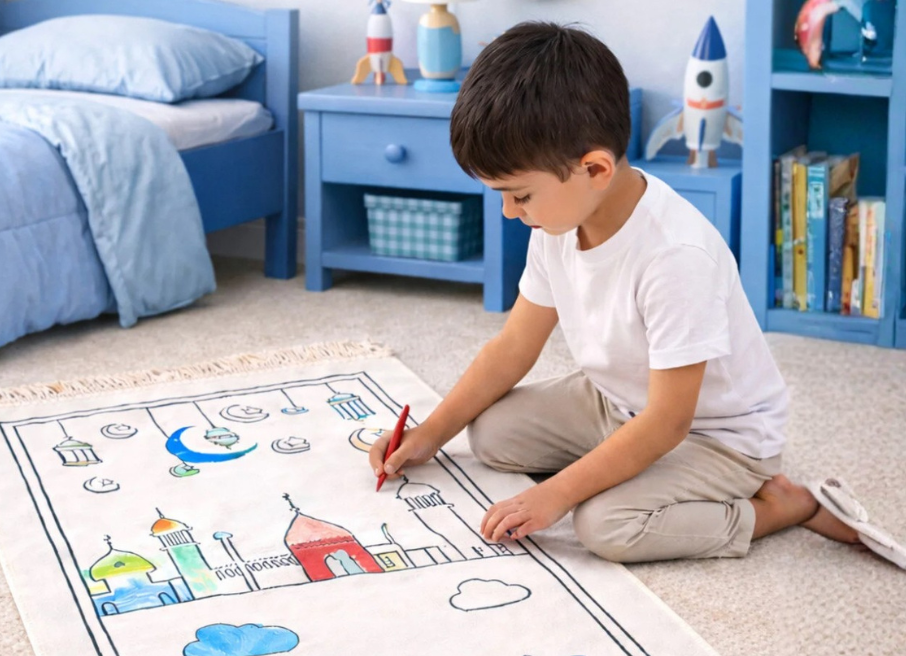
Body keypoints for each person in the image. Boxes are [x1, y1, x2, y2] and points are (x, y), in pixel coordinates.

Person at [368, 21, 862, 564]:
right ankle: (617, 463)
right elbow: (513, 346)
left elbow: (670, 421)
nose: (510, 212)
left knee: (605, 526)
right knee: (488, 434)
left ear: (595, 169)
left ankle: (780, 507)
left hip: (714, 435)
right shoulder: (557, 221)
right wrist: (432, 433)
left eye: (520, 195)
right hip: (615, 402)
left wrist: (556, 493)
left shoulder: (675, 255)